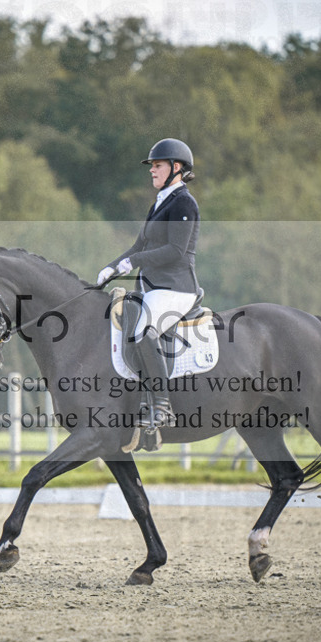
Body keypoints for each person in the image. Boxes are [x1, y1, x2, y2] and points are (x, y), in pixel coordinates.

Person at [96, 138, 201, 430]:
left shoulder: (184, 203)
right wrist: (112, 267)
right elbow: (138, 245)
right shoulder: (159, 203)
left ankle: (162, 406)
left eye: (158, 165)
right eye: (152, 166)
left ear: (176, 168)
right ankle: (141, 398)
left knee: (143, 330)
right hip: (153, 288)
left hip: (176, 288)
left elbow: (176, 250)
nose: (152, 170)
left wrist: (135, 261)